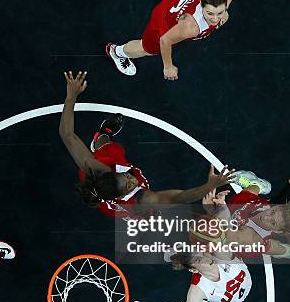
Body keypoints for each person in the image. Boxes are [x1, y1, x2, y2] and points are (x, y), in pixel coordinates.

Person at [59, 71, 235, 219]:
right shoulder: (141, 200)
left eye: (126, 177)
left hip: (103, 187)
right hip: (125, 207)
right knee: (117, 154)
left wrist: (70, 96)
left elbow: (67, 135)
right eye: (128, 184)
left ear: (108, 173)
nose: (132, 179)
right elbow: (180, 197)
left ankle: (103, 134)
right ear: (122, 194)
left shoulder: (94, 169)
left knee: (108, 148)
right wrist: (209, 186)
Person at [193, 132, 290, 270]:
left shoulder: (252, 239)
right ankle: (258, 185)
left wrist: (212, 210)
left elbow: (223, 236)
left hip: (234, 238)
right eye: (272, 212)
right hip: (239, 213)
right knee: (249, 196)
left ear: (277, 230)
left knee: (278, 250)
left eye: (272, 222)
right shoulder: (273, 208)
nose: (266, 216)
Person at [106, 0, 232, 79]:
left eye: (220, 12)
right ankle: (116, 52)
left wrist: (222, 14)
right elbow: (165, 41)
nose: (215, 19)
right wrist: (168, 67)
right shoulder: (190, 28)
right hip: (163, 18)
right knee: (147, 48)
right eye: (210, 13)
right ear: (202, 5)